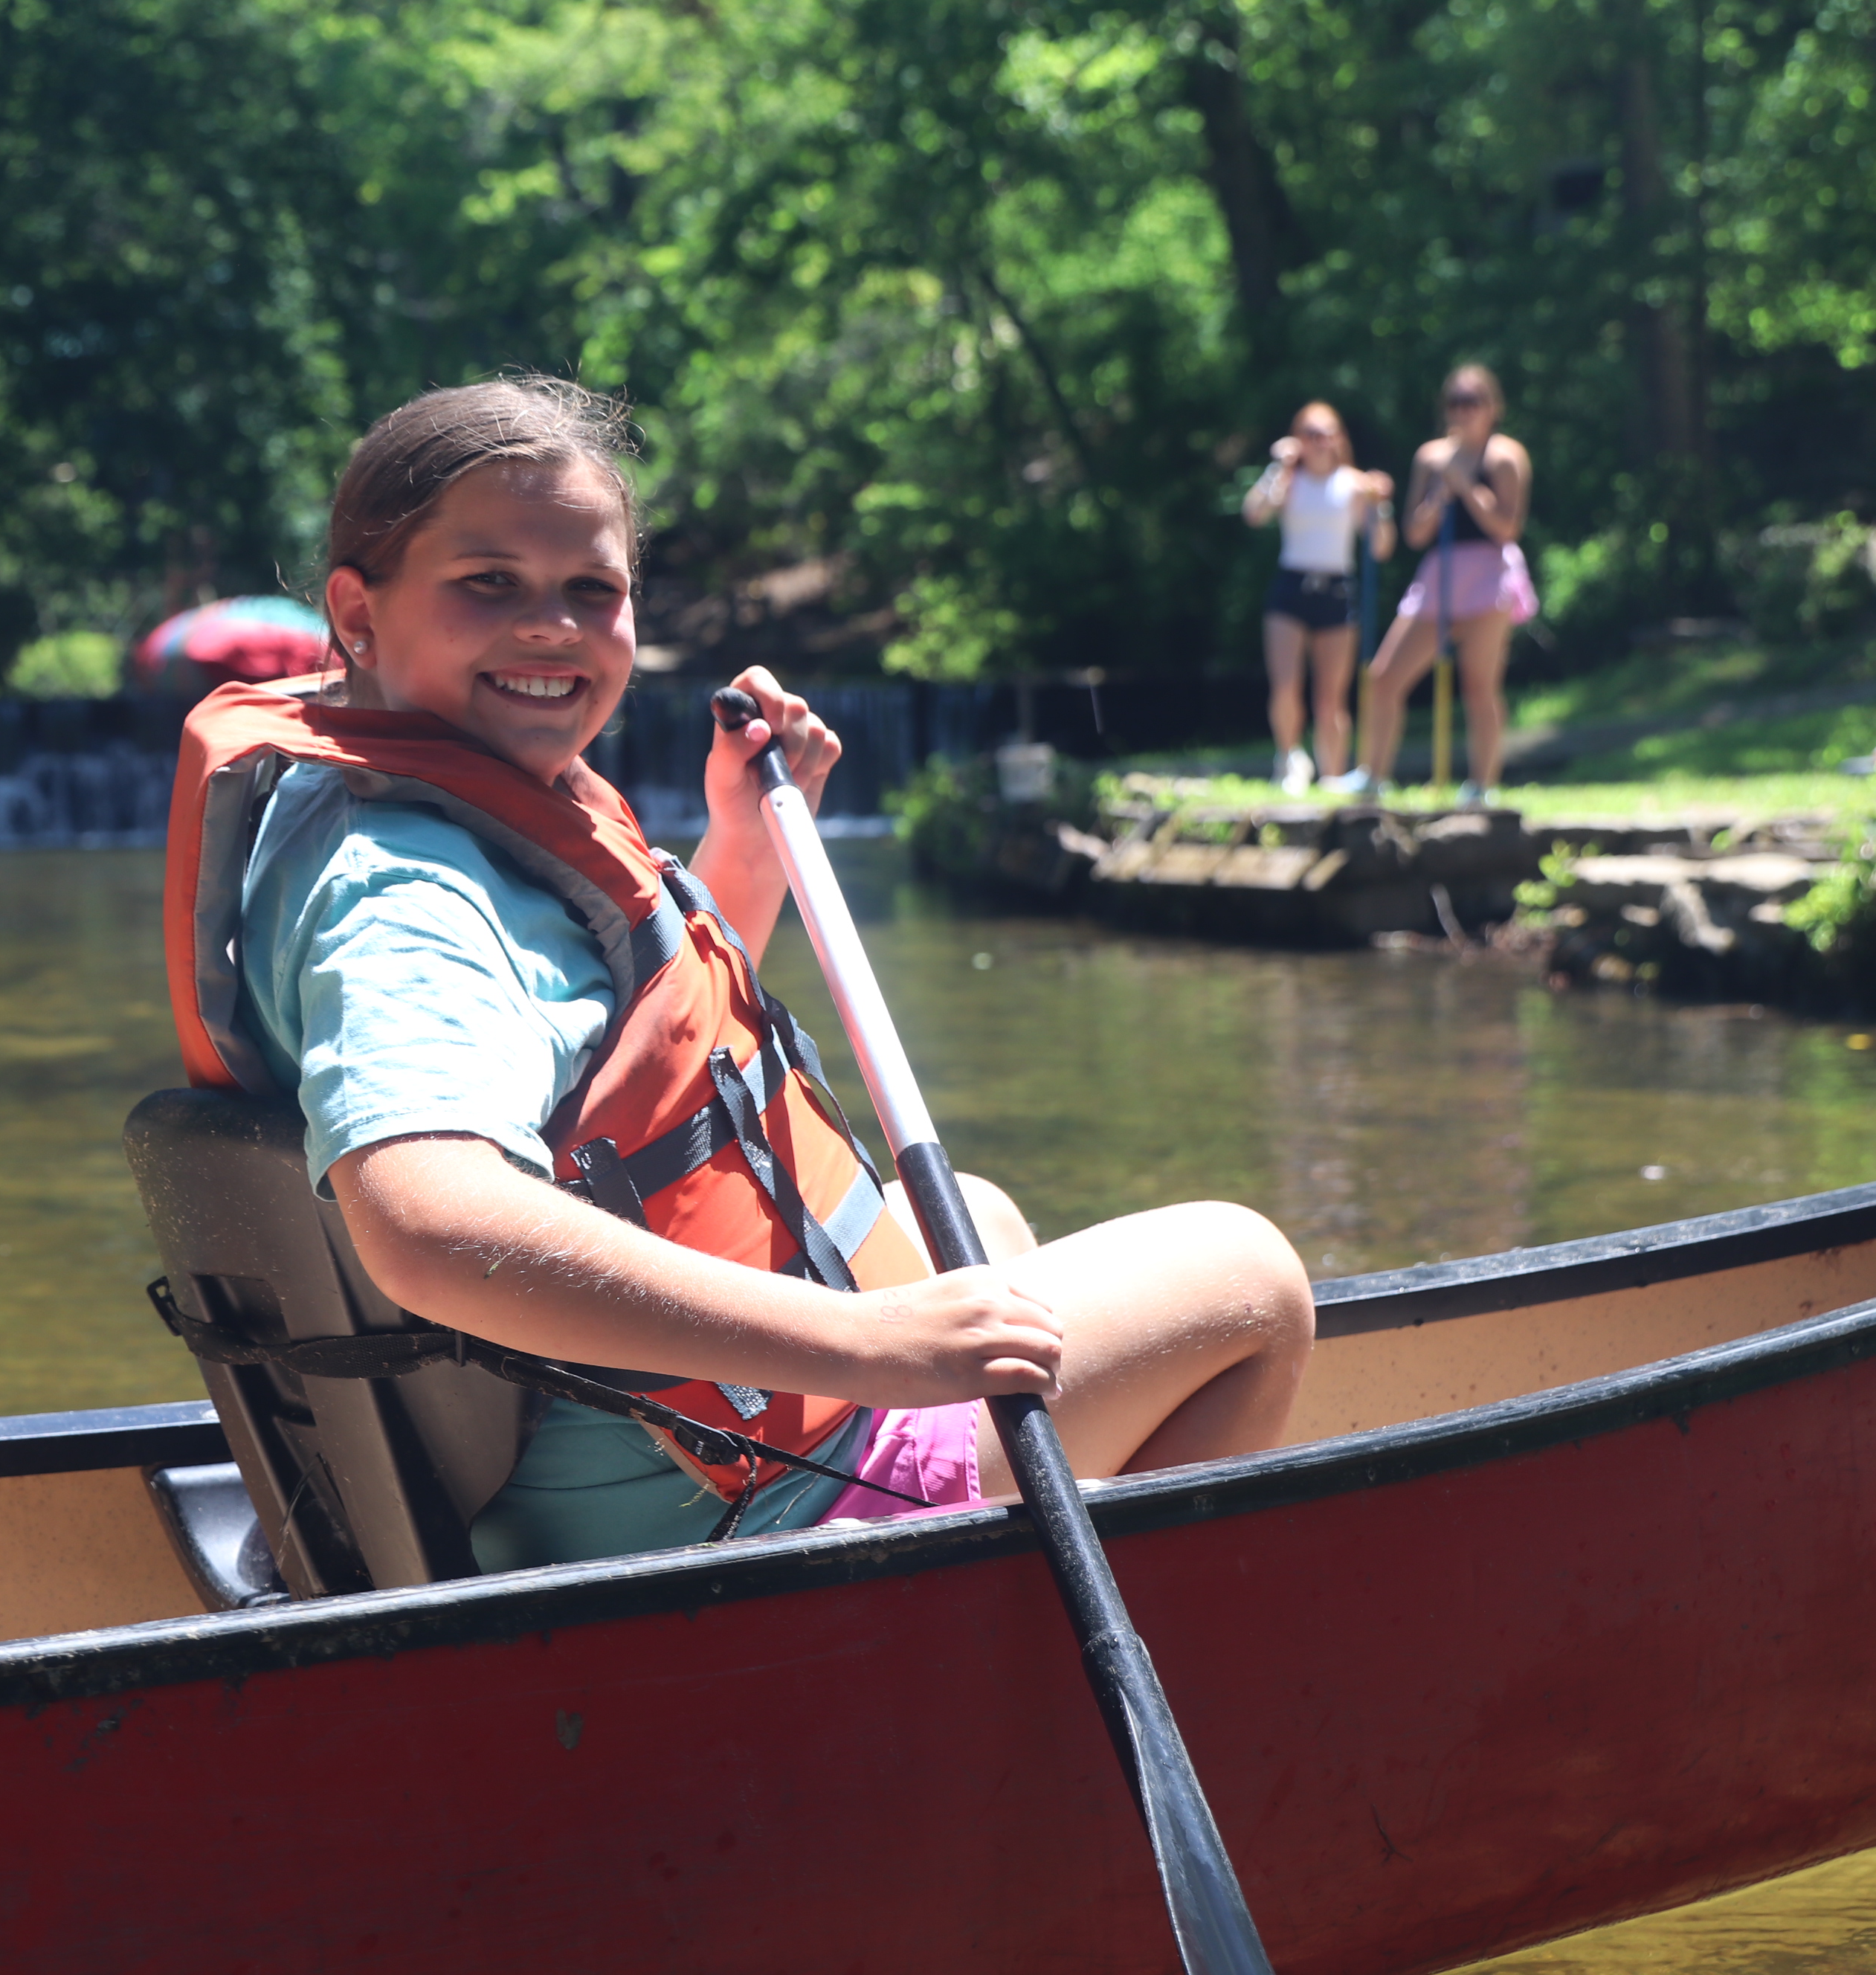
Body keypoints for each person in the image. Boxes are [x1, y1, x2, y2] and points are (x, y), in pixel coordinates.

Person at [175, 376, 1313, 1571]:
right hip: (734, 1506)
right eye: (488, 582)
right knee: (1250, 1277)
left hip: (625, 1456)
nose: (551, 626)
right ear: (356, 611)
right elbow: (430, 1224)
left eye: (591, 590)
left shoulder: (396, 789)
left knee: (973, 1215)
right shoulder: (407, 897)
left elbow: (633, 1076)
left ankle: (999, 1573)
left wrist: (747, 848)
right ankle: (1022, 1626)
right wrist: (869, 1344)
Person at [1349, 364, 1536, 805]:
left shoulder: (1506, 457)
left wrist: (1466, 486)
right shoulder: (1430, 457)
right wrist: (1439, 495)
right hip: (1440, 574)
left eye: (1473, 402)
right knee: (1384, 677)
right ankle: (1372, 776)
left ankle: (1483, 786)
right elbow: (1416, 534)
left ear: (1492, 407)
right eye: (1456, 402)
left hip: (1488, 574)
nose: (1463, 411)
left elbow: (1508, 528)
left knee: (1479, 685)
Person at [1242, 403, 1394, 793]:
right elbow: (1254, 514)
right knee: (1286, 686)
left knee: (1331, 699)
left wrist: (1380, 505)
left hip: (1337, 589)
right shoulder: (1288, 480)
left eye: (1326, 434)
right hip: (1291, 586)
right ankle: (1289, 759)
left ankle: (1332, 777)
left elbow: (1380, 548)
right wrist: (1279, 466)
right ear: (1298, 439)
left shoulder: (1353, 483)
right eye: (1310, 434)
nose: (1320, 442)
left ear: (1339, 438)